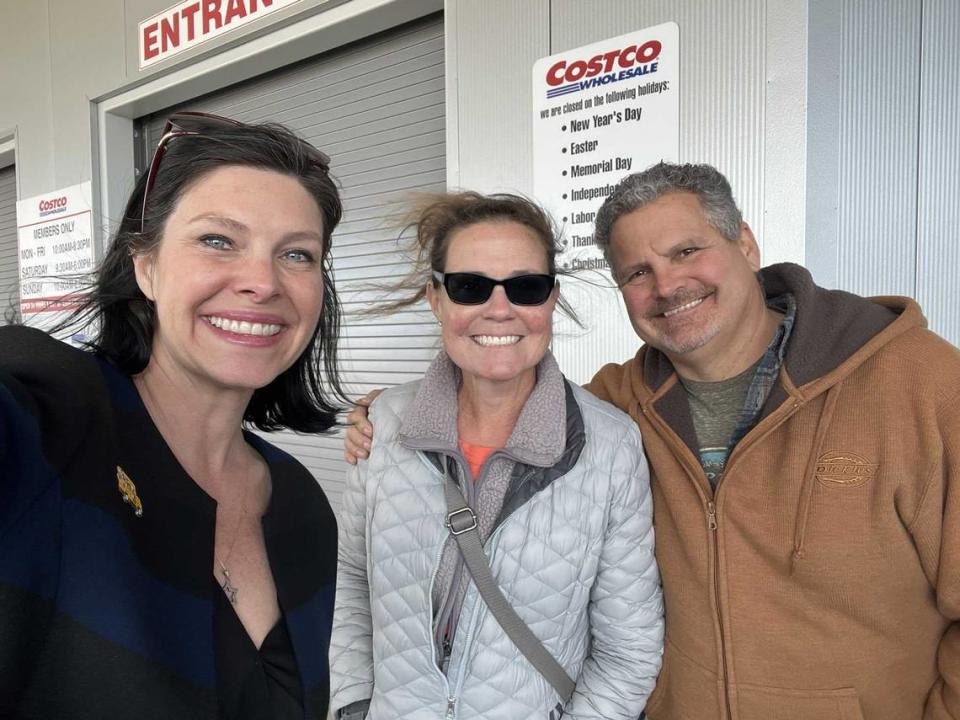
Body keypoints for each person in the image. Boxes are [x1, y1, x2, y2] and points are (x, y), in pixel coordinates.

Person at [345, 163, 960, 719]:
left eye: (687, 250)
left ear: (744, 242)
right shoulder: (620, 406)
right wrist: (386, 414)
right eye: (638, 272)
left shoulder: (923, 386)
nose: (667, 285)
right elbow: (513, 404)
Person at [0, 112, 346, 720]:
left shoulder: (301, 504)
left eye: (297, 254)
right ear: (146, 266)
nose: (262, 282)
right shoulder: (51, 422)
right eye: (218, 240)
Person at [329, 192, 663, 720]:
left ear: (551, 299)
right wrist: (352, 706)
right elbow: (350, 583)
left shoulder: (610, 445)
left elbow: (630, 649)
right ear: (436, 299)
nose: (500, 309)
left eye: (526, 287)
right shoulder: (382, 424)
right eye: (470, 287)